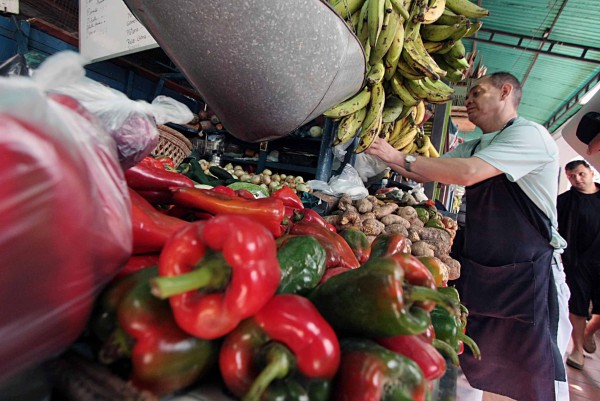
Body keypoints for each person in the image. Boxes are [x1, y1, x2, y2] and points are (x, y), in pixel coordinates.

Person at [366, 72, 571, 401]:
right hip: (485, 273)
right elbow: (424, 168)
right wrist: (379, 152)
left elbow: (470, 172)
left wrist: (395, 155)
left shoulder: (530, 135)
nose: (468, 100)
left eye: (477, 92)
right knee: (473, 362)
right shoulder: (478, 144)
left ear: (505, 92)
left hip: (531, 278)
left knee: (538, 372)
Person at [556, 160, 600, 370]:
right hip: (578, 263)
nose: (578, 179)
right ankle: (578, 350)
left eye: (581, 174)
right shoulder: (564, 201)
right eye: (572, 176)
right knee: (578, 307)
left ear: (591, 173)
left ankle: (588, 332)